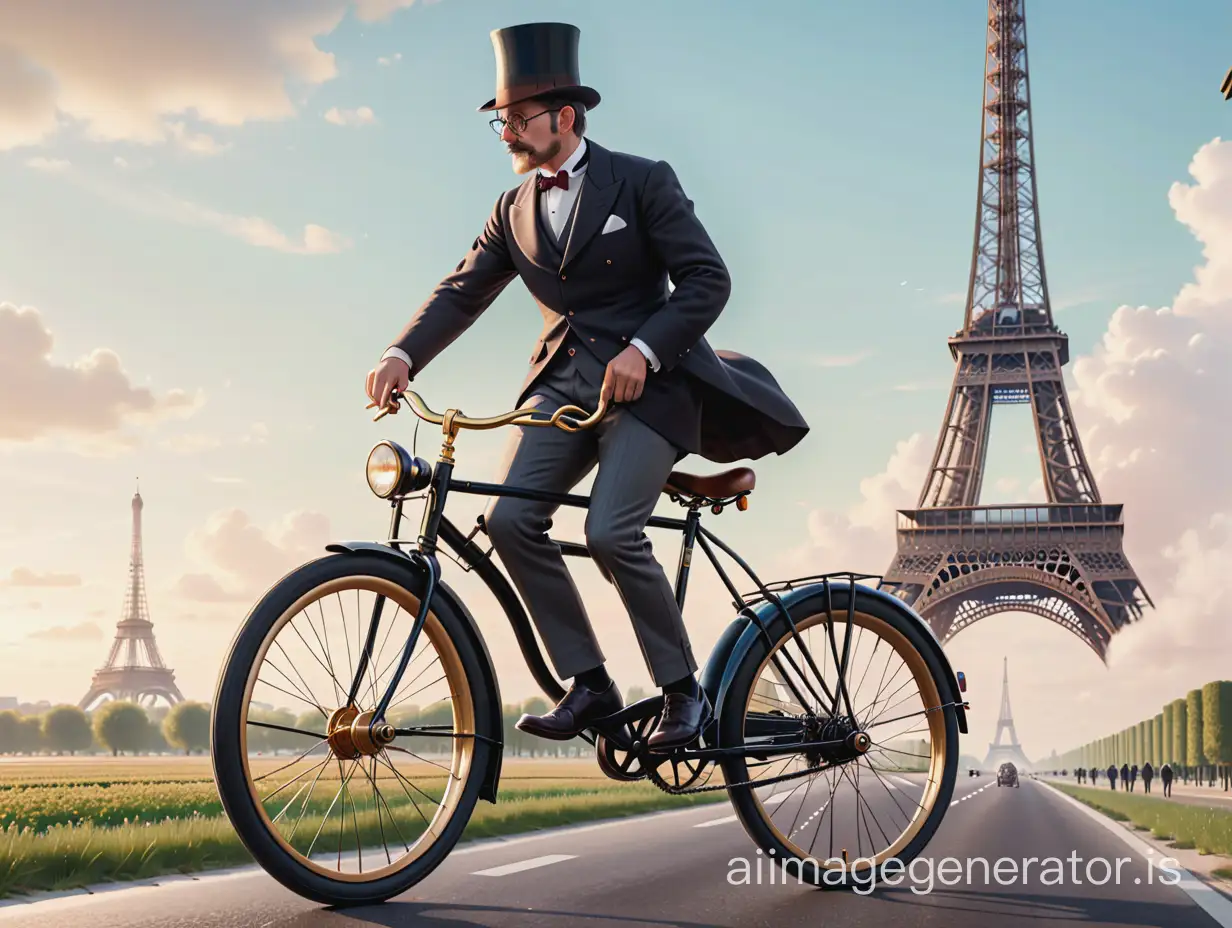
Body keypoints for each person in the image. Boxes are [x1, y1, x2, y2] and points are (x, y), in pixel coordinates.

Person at [366, 22, 809, 751]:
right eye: (500, 121)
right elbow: (460, 293)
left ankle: (683, 693)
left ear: (565, 117)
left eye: (517, 119)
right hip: (560, 385)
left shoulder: (642, 180)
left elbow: (708, 279)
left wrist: (644, 347)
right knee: (509, 521)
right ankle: (592, 685)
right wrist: (401, 354)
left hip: (653, 389)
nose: (506, 131)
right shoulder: (511, 211)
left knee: (609, 531)